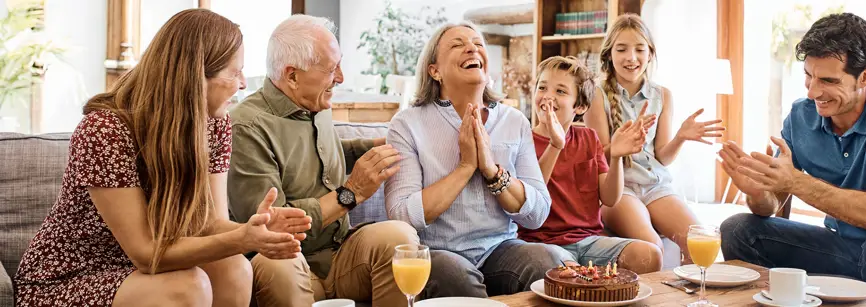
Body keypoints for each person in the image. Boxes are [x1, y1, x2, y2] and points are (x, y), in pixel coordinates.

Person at [15, 9, 311, 307]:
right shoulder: (104, 131)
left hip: (141, 274)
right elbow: (145, 253)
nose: (244, 83)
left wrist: (256, 230)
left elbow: (208, 225)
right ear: (195, 76)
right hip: (70, 280)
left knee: (234, 268)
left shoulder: (213, 124)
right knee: (187, 287)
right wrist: (242, 239)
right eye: (235, 72)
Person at [718, 12, 866, 298]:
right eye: (808, 76)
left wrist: (794, 182)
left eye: (828, 80)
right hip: (844, 248)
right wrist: (757, 193)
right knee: (739, 229)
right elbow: (771, 205)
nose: (813, 92)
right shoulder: (801, 116)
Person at [227, 15, 434, 307]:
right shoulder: (247, 127)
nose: (340, 77)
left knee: (398, 237)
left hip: (340, 251)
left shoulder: (315, 102)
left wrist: (379, 145)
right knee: (281, 263)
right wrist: (351, 193)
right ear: (292, 75)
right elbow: (269, 227)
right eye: (331, 69)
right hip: (284, 258)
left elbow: (322, 153)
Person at [385, 21, 566, 297]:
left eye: (478, 44)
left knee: (550, 262)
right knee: (456, 276)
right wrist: (466, 167)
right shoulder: (407, 124)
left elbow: (538, 212)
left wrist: (492, 172)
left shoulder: (513, 121)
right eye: (458, 45)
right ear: (434, 70)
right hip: (438, 252)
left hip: (500, 249)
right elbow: (401, 213)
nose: (472, 48)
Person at [583, 14, 725, 255]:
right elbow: (596, 159)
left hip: (655, 187)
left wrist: (680, 137)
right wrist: (620, 147)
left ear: (650, 54)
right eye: (622, 49)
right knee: (652, 248)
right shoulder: (597, 94)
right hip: (618, 190)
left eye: (640, 49)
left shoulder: (662, 95)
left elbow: (663, 158)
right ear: (609, 54)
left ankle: (689, 293)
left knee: (700, 242)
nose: (631, 57)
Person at [519, 55, 663, 274]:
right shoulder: (522, 141)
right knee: (573, 276)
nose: (548, 97)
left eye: (560, 91)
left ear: (580, 106)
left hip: (589, 240)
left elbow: (610, 198)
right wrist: (555, 145)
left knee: (650, 255)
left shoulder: (588, 138)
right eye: (542, 88)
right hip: (543, 244)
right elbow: (531, 197)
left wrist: (615, 156)